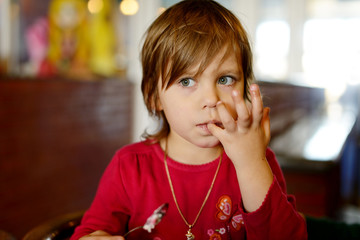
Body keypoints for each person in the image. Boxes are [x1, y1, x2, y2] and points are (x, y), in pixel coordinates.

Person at [71, 0, 307, 239]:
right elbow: (90, 232)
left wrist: (251, 164)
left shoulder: (257, 159)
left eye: (225, 79)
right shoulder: (130, 167)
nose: (211, 99)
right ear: (155, 97)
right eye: (186, 81)